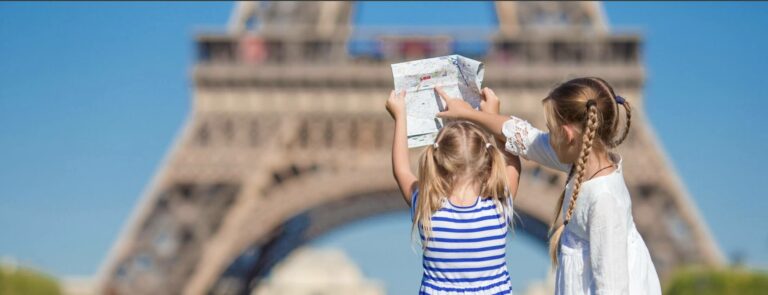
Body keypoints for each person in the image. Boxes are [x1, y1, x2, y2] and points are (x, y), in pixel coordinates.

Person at [435, 77, 661, 295]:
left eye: (551, 131)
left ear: (567, 135)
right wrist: (472, 114)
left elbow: (612, 290)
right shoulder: (580, 159)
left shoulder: (605, 199)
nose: (547, 137)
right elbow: (525, 138)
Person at [385, 89, 522, 294]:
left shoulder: (427, 206)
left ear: (437, 161)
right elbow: (513, 166)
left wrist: (400, 116)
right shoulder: (498, 206)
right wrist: (492, 115)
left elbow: (401, 170)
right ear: (487, 162)